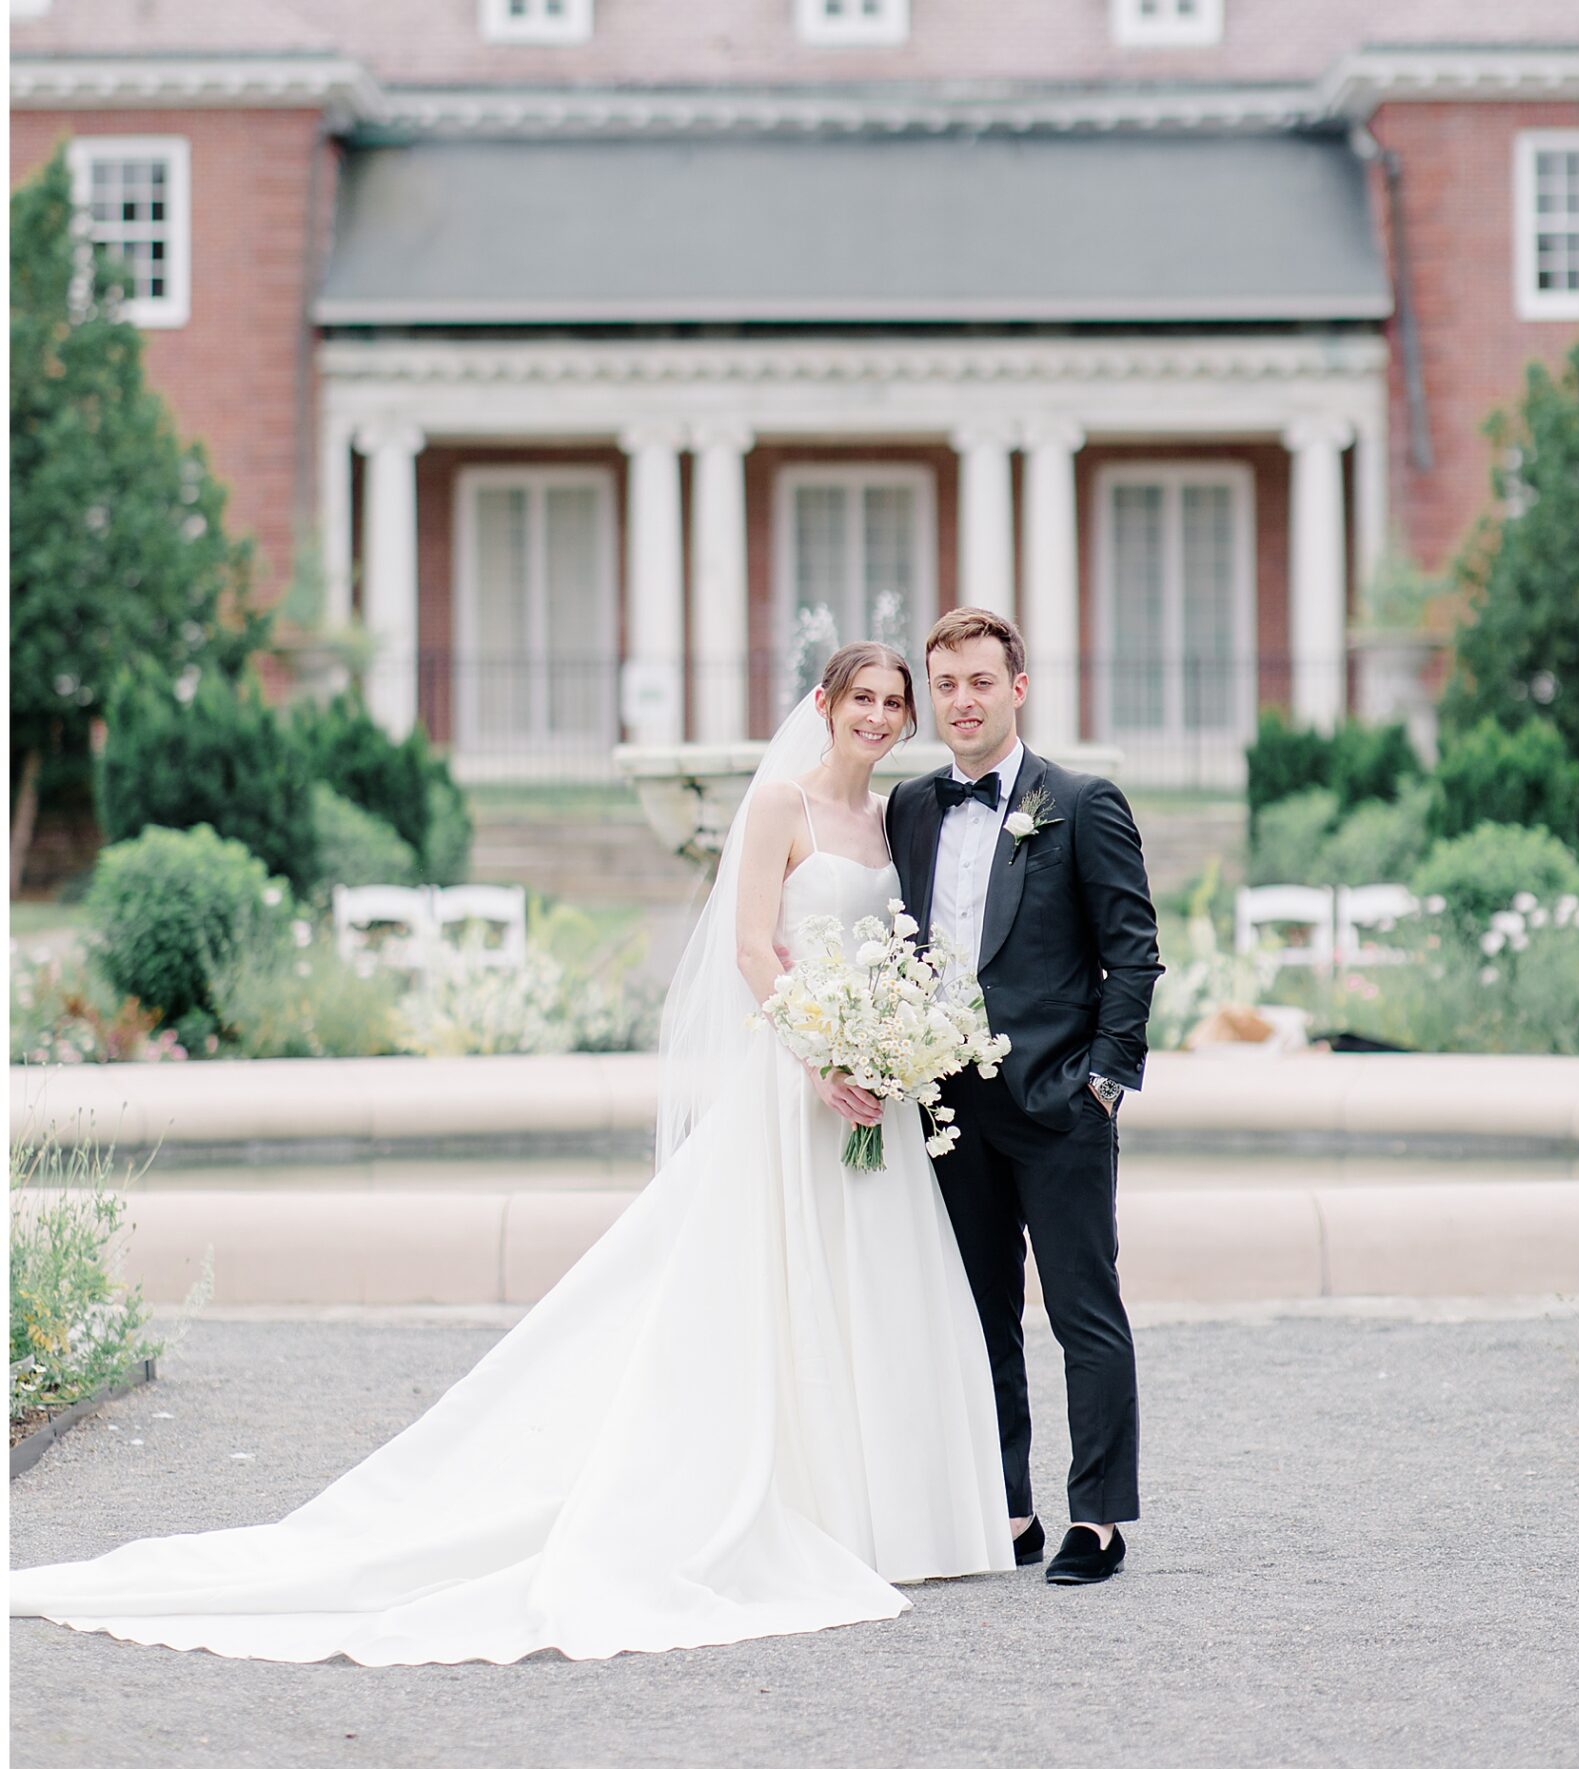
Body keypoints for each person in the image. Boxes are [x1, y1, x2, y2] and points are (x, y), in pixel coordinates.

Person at [10, 645, 1013, 1666]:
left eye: (895, 704)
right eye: (865, 701)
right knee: (769, 1293)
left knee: (876, 1287)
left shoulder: (892, 819)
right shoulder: (779, 810)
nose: (882, 717)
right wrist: (817, 1061)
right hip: (798, 1086)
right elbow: (755, 947)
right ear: (824, 706)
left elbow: (901, 947)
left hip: (871, 1093)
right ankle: (800, 1500)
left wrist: (887, 1049)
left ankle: (889, 1516)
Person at [886, 606, 1165, 1588]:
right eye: (947, 685)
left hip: (1058, 1103)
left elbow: (1134, 953)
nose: (963, 701)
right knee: (980, 1314)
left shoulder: (1081, 802)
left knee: (1083, 1309)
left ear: (1018, 688)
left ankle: (1097, 1515)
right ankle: (1009, 1505)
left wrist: (1104, 1082)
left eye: (980, 682)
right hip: (947, 1107)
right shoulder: (910, 809)